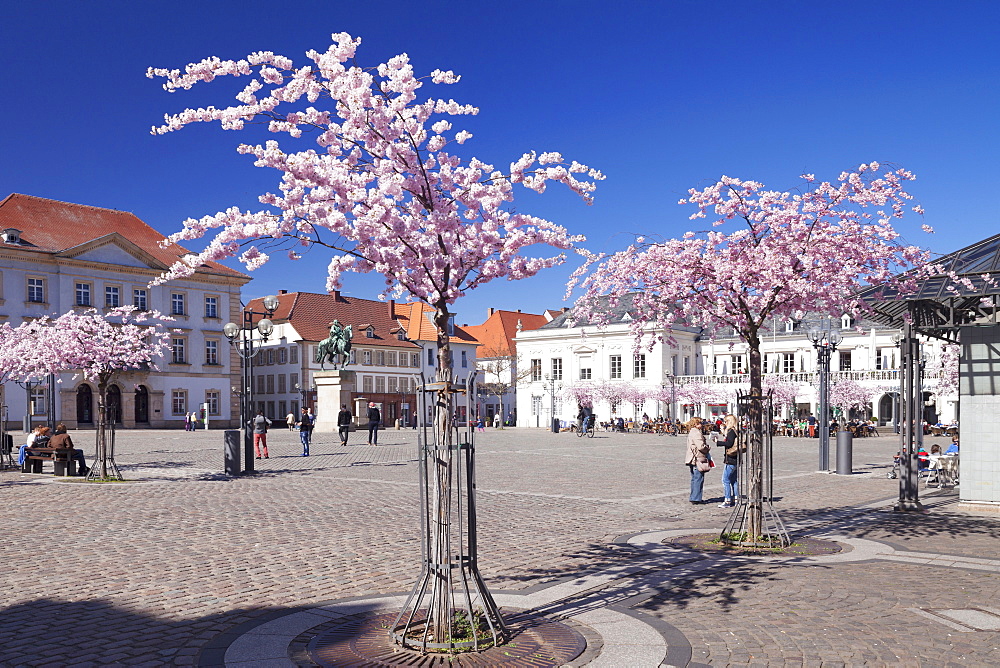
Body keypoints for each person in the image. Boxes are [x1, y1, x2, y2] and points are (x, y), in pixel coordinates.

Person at [685, 417, 711, 504]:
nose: (702, 425)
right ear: (695, 424)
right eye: (700, 423)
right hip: (697, 458)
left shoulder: (692, 432)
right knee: (698, 478)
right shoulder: (696, 433)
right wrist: (707, 448)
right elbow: (700, 446)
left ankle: (694, 496)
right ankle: (696, 498)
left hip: (692, 457)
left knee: (694, 478)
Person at [717, 414, 739, 507]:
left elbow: (729, 443)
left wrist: (717, 442)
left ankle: (727, 500)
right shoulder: (735, 430)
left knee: (725, 480)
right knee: (734, 480)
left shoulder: (731, 431)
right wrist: (723, 431)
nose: (724, 423)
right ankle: (736, 498)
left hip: (730, 459)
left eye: (726, 421)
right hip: (735, 458)